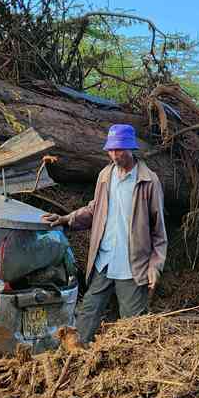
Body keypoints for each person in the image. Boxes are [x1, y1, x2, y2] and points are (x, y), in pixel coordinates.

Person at [42, 124, 167, 345]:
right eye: (110, 150)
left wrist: (154, 267)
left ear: (131, 149)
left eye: (119, 150)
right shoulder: (105, 175)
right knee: (86, 316)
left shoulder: (149, 181)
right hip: (105, 261)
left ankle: (130, 374)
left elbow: (159, 232)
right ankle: (73, 361)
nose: (114, 155)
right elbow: (94, 209)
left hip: (132, 266)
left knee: (133, 329)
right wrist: (65, 219)